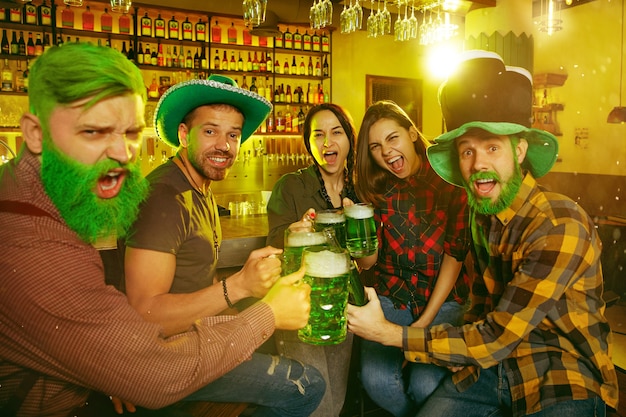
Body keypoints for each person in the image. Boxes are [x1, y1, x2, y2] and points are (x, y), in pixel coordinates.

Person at [0, 42, 318, 417]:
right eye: (93, 132)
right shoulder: (33, 245)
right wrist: (263, 310)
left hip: (113, 373)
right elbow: (150, 363)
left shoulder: (43, 197)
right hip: (86, 400)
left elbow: (106, 329)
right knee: (304, 385)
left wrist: (111, 358)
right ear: (34, 134)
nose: (122, 154)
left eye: (130, 132)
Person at [347, 50, 619, 416]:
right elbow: (480, 307)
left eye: (492, 147)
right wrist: (461, 352)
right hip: (490, 372)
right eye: (467, 151)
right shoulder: (483, 217)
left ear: (520, 151)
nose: (478, 164)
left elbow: (499, 335)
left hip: (559, 377)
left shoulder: (559, 224)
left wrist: (389, 334)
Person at [123, 74, 325, 416]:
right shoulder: (163, 198)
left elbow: (198, 280)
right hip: (167, 359)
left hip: (197, 338)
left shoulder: (199, 188)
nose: (224, 145)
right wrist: (239, 285)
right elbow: (144, 316)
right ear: (184, 135)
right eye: (210, 131)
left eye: (233, 135)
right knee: (307, 386)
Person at [349, 100, 471, 416]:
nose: (386, 152)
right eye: (375, 146)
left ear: (412, 133)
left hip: (443, 300)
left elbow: (455, 256)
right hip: (393, 296)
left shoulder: (450, 180)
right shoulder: (374, 186)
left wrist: (423, 325)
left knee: (425, 384)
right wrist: (358, 227)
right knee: (377, 382)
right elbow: (369, 263)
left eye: (393, 138)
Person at [265, 103, 359, 417]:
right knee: (319, 403)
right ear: (309, 143)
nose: (327, 142)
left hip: (344, 309)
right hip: (301, 313)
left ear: (349, 139)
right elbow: (273, 246)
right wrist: (293, 234)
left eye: (336, 133)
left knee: (337, 399)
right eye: (318, 135)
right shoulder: (291, 186)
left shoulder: (361, 189)